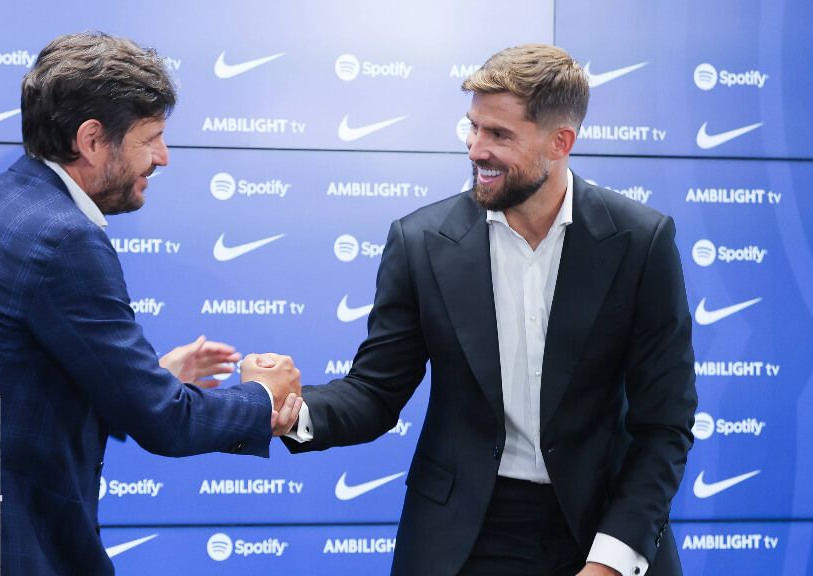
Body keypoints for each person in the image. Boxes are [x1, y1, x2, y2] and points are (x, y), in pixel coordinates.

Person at [0, 32, 303, 575]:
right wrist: (261, 399)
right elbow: (165, 423)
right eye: (150, 138)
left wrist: (150, 375)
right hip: (7, 546)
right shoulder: (64, 238)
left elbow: (12, 384)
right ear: (91, 141)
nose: (163, 157)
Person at [284, 44, 697, 576]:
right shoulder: (420, 242)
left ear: (560, 142)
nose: (477, 149)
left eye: (499, 135)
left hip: (604, 525)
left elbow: (664, 423)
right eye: (473, 128)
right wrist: (294, 412)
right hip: (463, 533)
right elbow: (376, 390)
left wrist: (612, 561)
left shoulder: (641, 242)